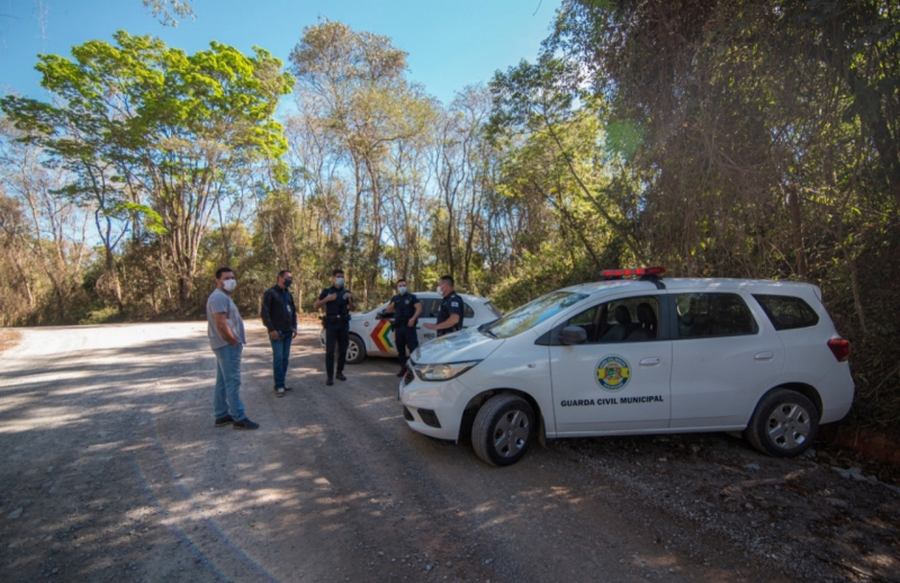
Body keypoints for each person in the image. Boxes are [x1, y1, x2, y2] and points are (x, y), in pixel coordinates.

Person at [206, 267, 258, 429]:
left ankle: (221, 415)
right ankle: (239, 417)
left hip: (224, 345)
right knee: (233, 381)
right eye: (226, 278)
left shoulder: (222, 296)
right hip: (227, 345)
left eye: (232, 278)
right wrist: (233, 340)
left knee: (222, 381)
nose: (231, 281)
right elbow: (221, 324)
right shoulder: (218, 298)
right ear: (218, 280)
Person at [260, 269, 298, 398]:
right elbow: (264, 313)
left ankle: (281, 383)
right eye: (287, 278)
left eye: (291, 278)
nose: (290, 280)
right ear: (279, 278)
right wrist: (271, 329)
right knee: (278, 359)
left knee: (285, 359)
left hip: (288, 332)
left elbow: (293, 311)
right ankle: (279, 386)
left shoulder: (288, 294)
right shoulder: (270, 293)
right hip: (277, 332)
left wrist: (294, 327)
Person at [314, 268, 354, 386]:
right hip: (331, 324)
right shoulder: (327, 291)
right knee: (330, 351)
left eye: (342, 277)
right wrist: (327, 299)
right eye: (338, 276)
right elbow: (315, 305)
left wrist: (350, 300)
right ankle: (330, 377)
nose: (340, 279)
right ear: (333, 278)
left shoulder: (347, 292)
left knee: (343, 350)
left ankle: (339, 372)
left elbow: (353, 308)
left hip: (343, 324)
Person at [382, 278, 422, 377]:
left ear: (406, 286)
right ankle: (403, 369)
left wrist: (413, 319)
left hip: (409, 328)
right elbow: (388, 310)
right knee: (401, 351)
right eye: (400, 286)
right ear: (397, 287)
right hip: (398, 328)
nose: (402, 287)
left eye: (403, 285)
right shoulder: (395, 298)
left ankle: (414, 371)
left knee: (413, 349)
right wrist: (391, 306)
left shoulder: (412, 297)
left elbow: (419, 308)